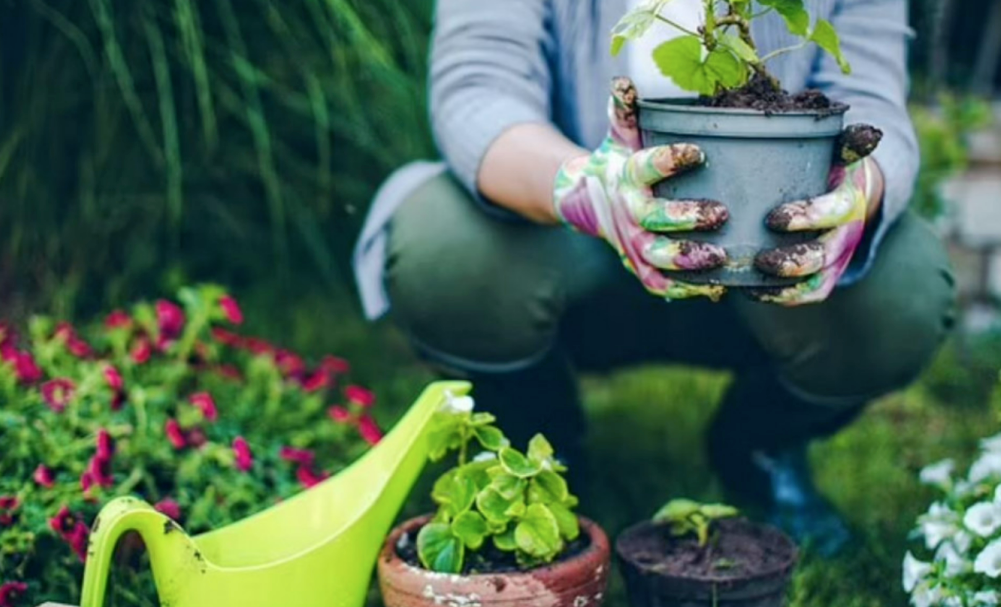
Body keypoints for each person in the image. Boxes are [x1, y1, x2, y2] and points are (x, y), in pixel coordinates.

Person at [352, 0, 956, 555]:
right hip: (565, 243)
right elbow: (478, 90)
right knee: (444, 249)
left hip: (767, 248)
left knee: (902, 293)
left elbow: (871, 99)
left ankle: (760, 442)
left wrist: (859, 193)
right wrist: (589, 189)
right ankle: (538, 430)